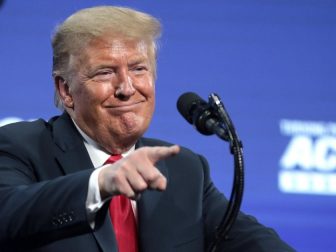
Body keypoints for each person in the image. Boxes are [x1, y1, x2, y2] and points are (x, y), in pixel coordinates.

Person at [0, 6, 295, 252]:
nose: (127, 88)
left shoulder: (184, 170)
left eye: (139, 69)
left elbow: (254, 243)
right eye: (105, 72)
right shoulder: (20, 147)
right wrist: (102, 181)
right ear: (65, 89)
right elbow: (8, 214)